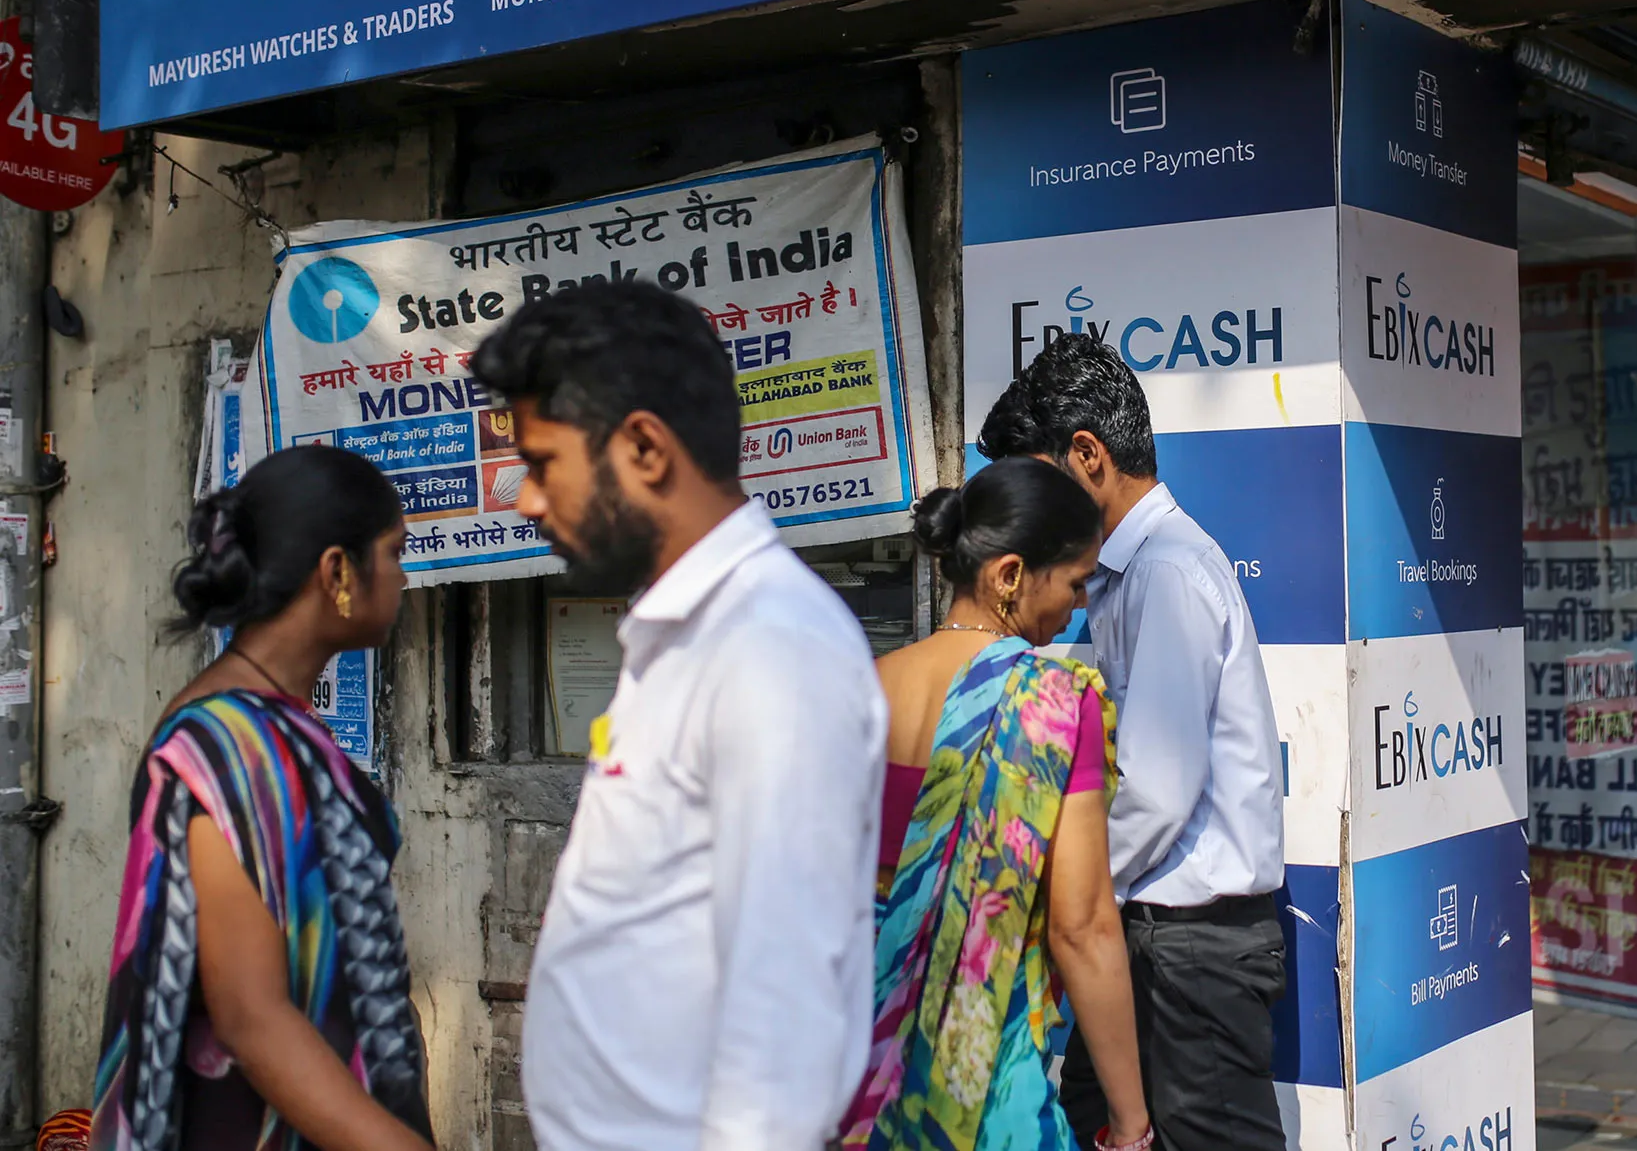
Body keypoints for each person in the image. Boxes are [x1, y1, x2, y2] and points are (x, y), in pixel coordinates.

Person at [472, 283, 885, 1151]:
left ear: (646, 449)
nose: (525, 500)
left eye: (544, 463)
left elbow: (782, 1016)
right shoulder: (687, 634)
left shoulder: (770, 646)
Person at [976, 334, 1288, 1151]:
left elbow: (1153, 789)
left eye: (1040, 482)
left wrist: (1059, 901)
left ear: (1088, 456)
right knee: (1094, 1117)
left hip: (1194, 950)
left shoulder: (1166, 572)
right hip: (1151, 935)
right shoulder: (1126, 573)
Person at [92, 445, 433, 1151]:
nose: (403, 576)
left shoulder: (272, 722)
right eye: (394, 552)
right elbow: (252, 1018)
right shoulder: (219, 739)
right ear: (338, 572)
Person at [844, 458, 1151, 1151]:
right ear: (1009, 574)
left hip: (849, 1066)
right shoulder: (1052, 703)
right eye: (1074, 582)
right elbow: (1084, 928)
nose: (1078, 605)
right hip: (981, 1079)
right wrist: (1130, 1125)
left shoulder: (861, 689)